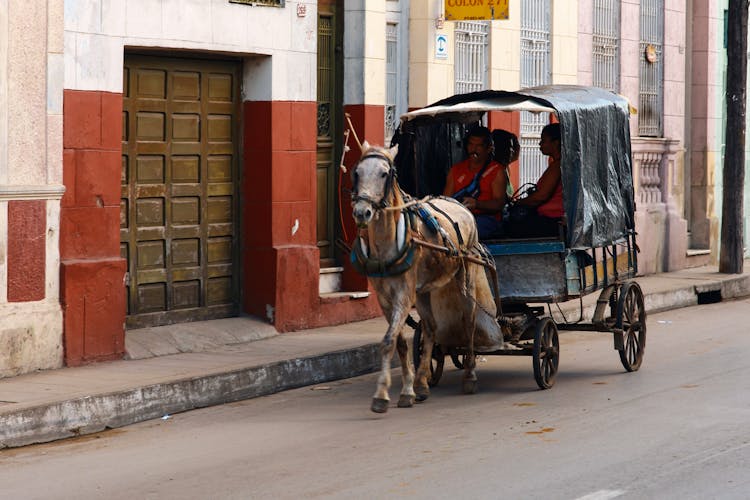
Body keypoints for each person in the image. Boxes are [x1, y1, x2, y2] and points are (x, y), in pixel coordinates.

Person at [443, 126, 509, 240]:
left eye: (479, 146)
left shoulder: (497, 171)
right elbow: (445, 200)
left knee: (463, 232)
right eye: (471, 145)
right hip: (458, 218)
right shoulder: (456, 170)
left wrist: (477, 204)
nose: (473, 149)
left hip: (487, 220)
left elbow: (499, 203)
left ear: (489, 148)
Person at [507, 122, 564, 238]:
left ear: (555, 143)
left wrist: (517, 203)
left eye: (543, 140)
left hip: (551, 219)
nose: (540, 144)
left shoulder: (557, 166)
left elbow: (540, 197)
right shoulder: (558, 164)